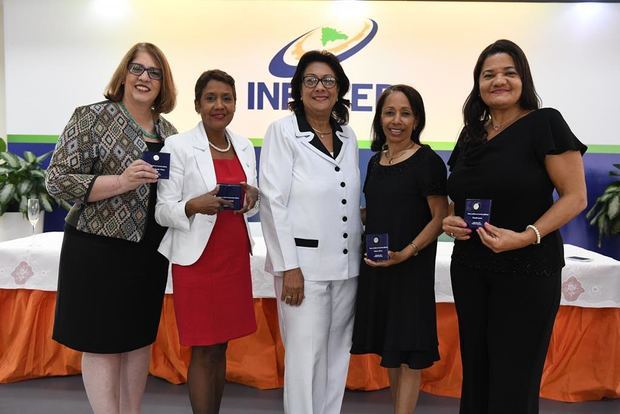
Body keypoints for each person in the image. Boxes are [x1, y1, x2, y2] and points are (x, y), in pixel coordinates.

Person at [442, 39, 587, 414]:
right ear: (478, 84)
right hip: (471, 267)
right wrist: (451, 220)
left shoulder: (545, 123)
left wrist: (527, 236)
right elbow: (460, 196)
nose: (498, 81)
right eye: (488, 75)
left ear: (524, 78)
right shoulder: (471, 133)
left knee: (515, 376)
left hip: (527, 269)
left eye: (509, 72)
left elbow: (575, 197)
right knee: (476, 370)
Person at [45, 42, 177, 413]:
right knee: (102, 342)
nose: (144, 78)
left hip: (150, 250)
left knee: (138, 341)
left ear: (163, 83)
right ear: (123, 74)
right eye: (137, 69)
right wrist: (121, 181)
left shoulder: (170, 130)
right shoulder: (90, 117)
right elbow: (57, 180)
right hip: (97, 247)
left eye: (154, 72)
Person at [259, 50, 362, 414]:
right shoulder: (283, 132)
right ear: (299, 88)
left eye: (328, 81)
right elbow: (272, 203)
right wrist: (289, 267)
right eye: (312, 80)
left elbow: (344, 198)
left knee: (337, 356)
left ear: (340, 89)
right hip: (303, 270)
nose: (320, 87)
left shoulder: (347, 135)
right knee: (305, 362)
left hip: (346, 269)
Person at [155, 69, 259, 414]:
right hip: (197, 262)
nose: (219, 105)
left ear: (235, 104)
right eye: (211, 98)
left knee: (221, 347)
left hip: (232, 256)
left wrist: (252, 196)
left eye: (226, 98)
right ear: (198, 104)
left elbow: (251, 196)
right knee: (202, 348)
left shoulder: (244, 145)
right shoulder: (176, 146)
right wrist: (192, 205)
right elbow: (162, 210)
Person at [351, 84, 448, 414]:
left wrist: (408, 251)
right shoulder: (376, 162)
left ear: (417, 119)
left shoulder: (428, 162)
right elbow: (377, 209)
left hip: (410, 269)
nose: (396, 120)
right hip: (379, 268)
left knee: (409, 353)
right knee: (390, 348)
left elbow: (440, 216)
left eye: (405, 113)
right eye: (389, 112)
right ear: (379, 118)